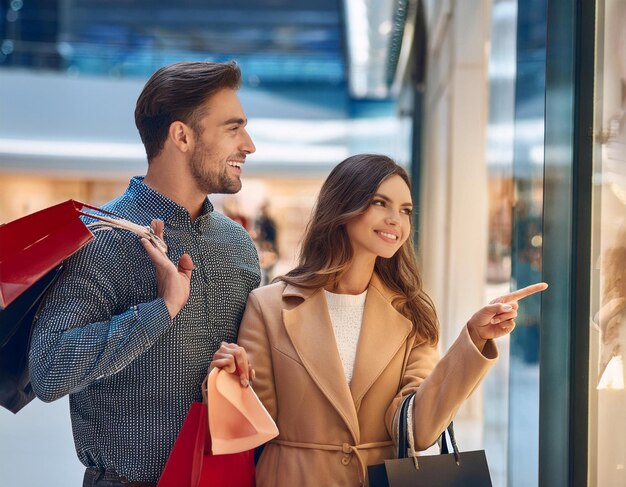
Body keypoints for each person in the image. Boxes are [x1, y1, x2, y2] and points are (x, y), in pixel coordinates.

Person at [209, 154, 547, 486]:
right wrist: (232, 381)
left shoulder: (413, 314)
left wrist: (472, 339)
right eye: (380, 203)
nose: (395, 220)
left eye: (405, 211)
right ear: (343, 206)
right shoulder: (268, 307)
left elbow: (419, 430)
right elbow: (253, 427)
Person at [28, 61, 261, 486]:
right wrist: (162, 309)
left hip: (224, 476)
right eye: (233, 128)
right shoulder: (102, 239)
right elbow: (49, 369)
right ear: (182, 136)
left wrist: (244, 369)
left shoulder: (239, 246)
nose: (249, 145)